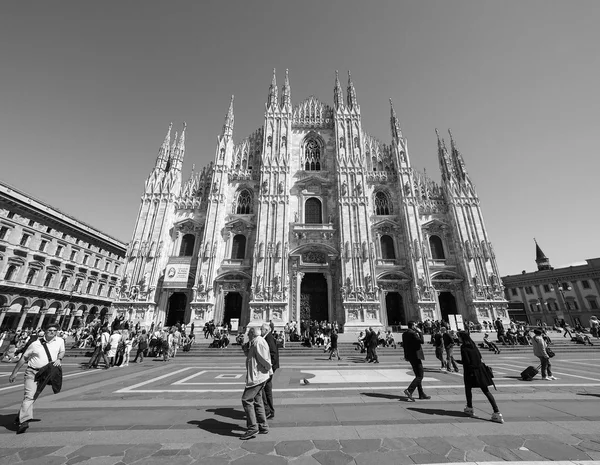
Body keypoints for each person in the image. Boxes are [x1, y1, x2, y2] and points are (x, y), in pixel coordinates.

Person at [9, 324, 65, 434]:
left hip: (47, 373)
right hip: (32, 372)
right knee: (29, 396)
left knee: (34, 395)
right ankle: (24, 421)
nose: (52, 332)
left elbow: (62, 351)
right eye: (50, 330)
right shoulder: (35, 344)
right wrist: (14, 373)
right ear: (44, 331)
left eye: (54, 331)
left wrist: (59, 358)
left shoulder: (60, 341)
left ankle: (20, 416)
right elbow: (23, 358)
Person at [455, 331, 503, 424]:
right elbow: (479, 357)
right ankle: (497, 412)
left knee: (468, 389)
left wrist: (459, 362)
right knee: (486, 391)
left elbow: (467, 362)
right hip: (480, 370)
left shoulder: (464, 347)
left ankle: (469, 408)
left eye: (459, 337)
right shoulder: (473, 345)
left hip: (471, 371)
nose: (458, 338)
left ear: (462, 338)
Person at [240, 327, 272, 440]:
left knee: (246, 399)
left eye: (248, 333)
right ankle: (263, 426)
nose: (247, 335)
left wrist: (268, 369)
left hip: (257, 377)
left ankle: (253, 427)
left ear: (252, 334)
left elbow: (264, 359)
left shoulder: (258, 342)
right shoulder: (254, 342)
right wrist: (245, 349)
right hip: (256, 376)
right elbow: (252, 357)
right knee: (258, 401)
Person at [402, 321, 430, 402]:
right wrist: (420, 332)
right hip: (416, 355)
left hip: (410, 356)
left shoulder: (404, 334)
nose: (416, 326)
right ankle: (409, 390)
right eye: (415, 325)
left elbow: (405, 346)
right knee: (420, 375)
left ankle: (421, 394)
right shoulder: (413, 333)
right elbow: (421, 341)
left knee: (417, 375)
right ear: (413, 326)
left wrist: (406, 356)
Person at [260, 323, 279, 420]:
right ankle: (270, 411)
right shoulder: (268, 337)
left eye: (261, 330)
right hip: (270, 368)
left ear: (266, 330)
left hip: (268, 368)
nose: (260, 331)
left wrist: (269, 367)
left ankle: (267, 410)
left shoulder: (269, 338)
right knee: (267, 389)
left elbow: (273, 354)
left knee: (262, 388)